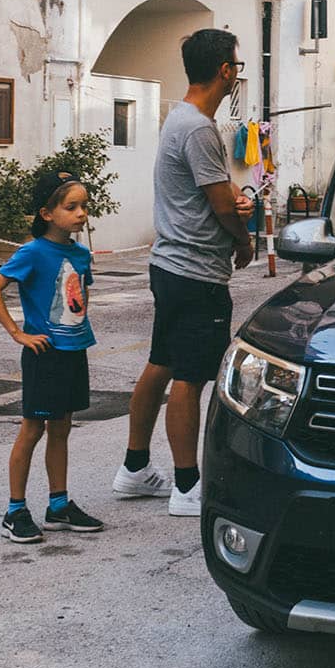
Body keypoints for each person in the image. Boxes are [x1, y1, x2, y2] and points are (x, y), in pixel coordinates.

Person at [112, 29, 254, 517]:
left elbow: (210, 191)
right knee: (190, 378)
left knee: (164, 363)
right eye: (236, 66)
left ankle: (134, 470)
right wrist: (243, 237)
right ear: (225, 71)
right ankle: (187, 486)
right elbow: (219, 203)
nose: (237, 73)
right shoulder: (197, 127)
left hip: (171, 265)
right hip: (195, 270)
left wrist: (234, 202)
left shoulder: (181, 119)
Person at [0, 170, 104, 543]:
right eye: (71, 207)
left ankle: (58, 505)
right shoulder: (32, 251)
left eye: (84, 205)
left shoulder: (81, 254)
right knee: (33, 429)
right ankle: (15, 510)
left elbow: (79, 296)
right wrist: (18, 333)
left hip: (73, 351)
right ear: (47, 213)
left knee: (62, 428)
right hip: (44, 353)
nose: (81, 213)